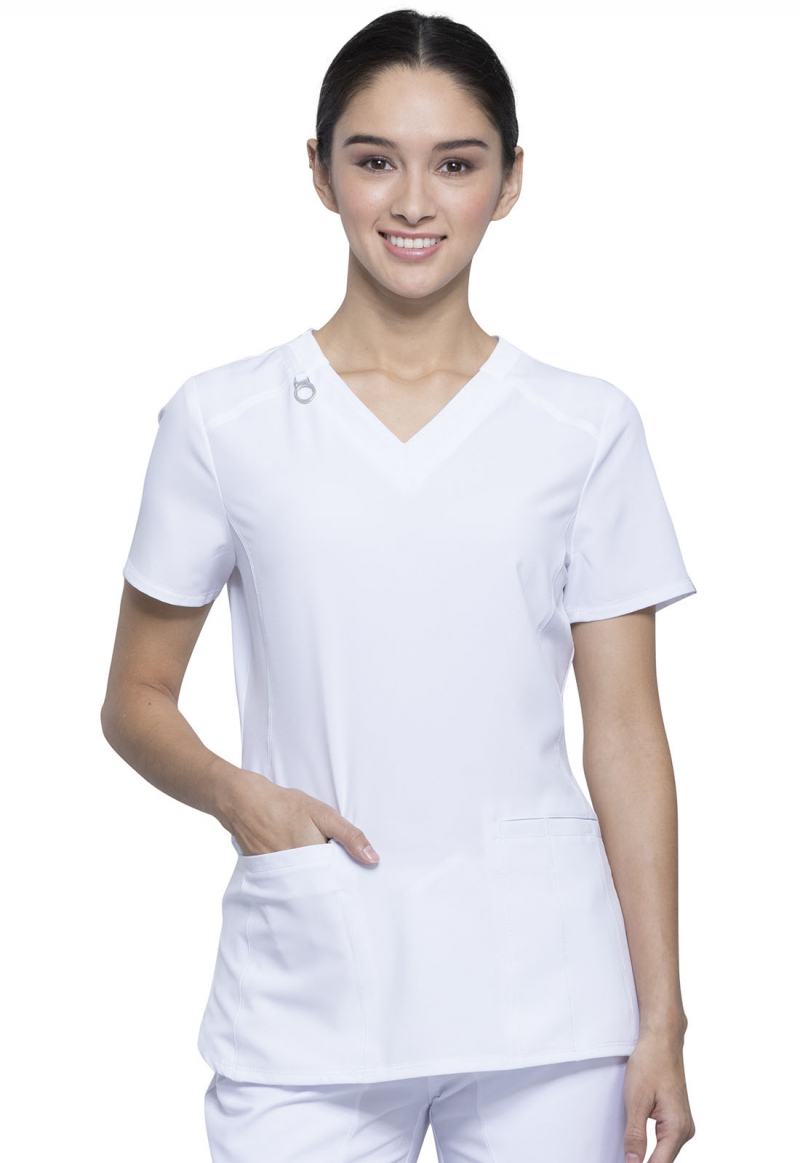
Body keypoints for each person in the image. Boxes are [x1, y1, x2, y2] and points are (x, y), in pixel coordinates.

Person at [101, 9, 698, 1162]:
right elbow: (135, 696)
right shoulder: (223, 421)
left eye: (455, 165)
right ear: (319, 172)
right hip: (308, 986)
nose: (413, 202)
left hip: (545, 997)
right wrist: (241, 797)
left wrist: (660, 1015)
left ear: (509, 181)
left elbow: (625, 731)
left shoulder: (582, 427)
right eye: (374, 159)